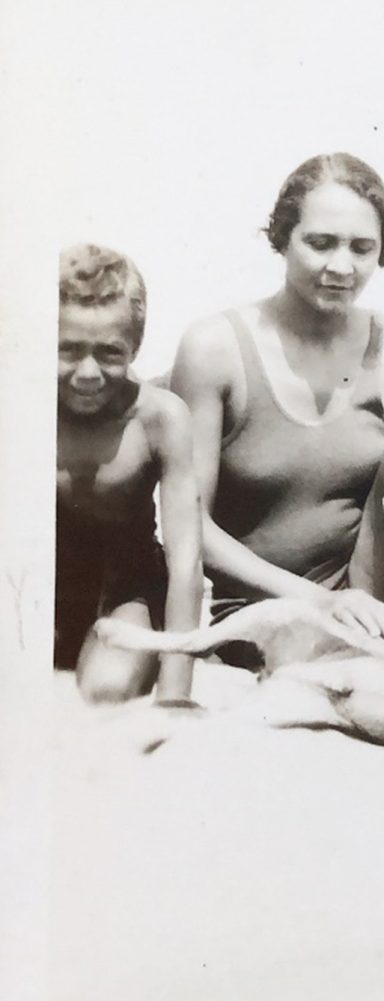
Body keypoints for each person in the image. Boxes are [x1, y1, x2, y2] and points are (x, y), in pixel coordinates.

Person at [170, 153, 384, 656]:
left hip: (372, 601)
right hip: (264, 611)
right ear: (282, 238)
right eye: (320, 243)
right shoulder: (215, 348)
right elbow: (188, 525)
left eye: (362, 248)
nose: (341, 267)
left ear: (382, 252)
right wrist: (318, 603)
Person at [55, 244, 203, 703]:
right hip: (38, 587)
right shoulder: (19, 402)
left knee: (109, 688)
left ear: (136, 346)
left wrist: (175, 696)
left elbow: (186, 563)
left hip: (126, 589)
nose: (87, 372)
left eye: (109, 353)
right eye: (68, 350)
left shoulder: (159, 418)